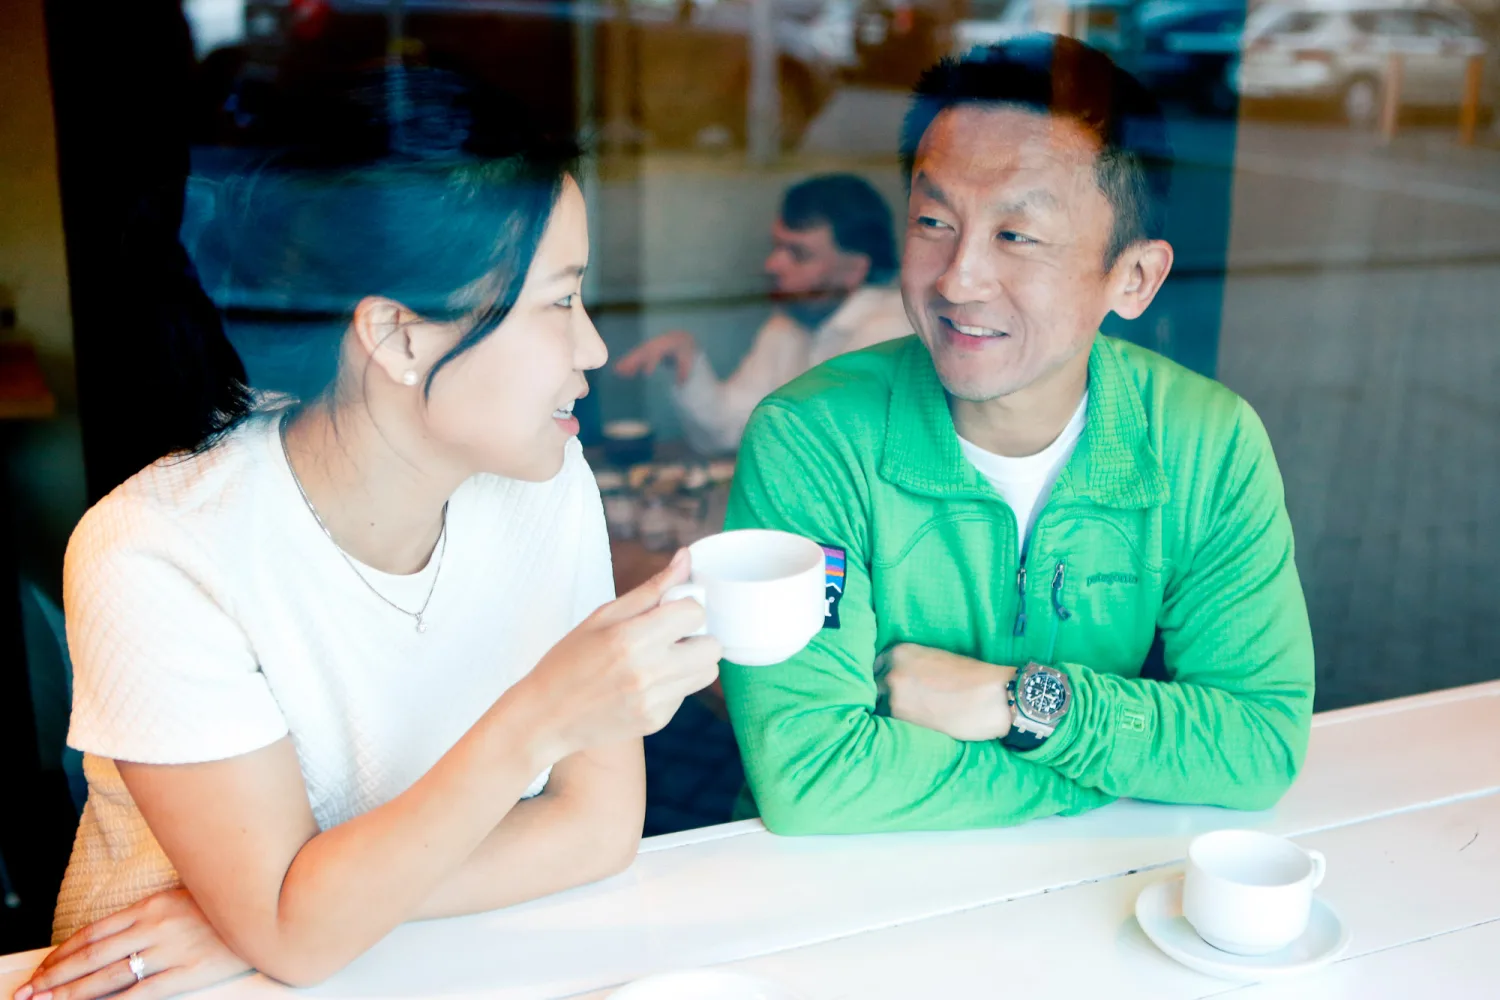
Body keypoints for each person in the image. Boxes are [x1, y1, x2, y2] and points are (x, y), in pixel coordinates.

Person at [12, 77, 721, 1000]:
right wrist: (538, 719)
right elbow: (297, 944)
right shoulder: (158, 552)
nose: (590, 348)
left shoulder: (541, 487)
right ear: (396, 335)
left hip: (427, 963)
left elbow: (595, 830)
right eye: (558, 302)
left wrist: (286, 913)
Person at [719, 36, 1316, 834]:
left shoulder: (1206, 445)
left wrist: (1020, 704)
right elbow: (811, 773)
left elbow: (1258, 743)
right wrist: (1114, 772)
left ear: (1133, 278)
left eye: (1016, 236)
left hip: (1082, 895)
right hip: (842, 897)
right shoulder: (812, 439)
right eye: (934, 221)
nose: (958, 278)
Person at [613, 174, 912, 455]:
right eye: (777, 247)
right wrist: (687, 360)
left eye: (798, 254)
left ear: (854, 270)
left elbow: (827, 456)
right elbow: (728, 432)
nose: (772, 265)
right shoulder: (792, 322)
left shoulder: (888, 334)